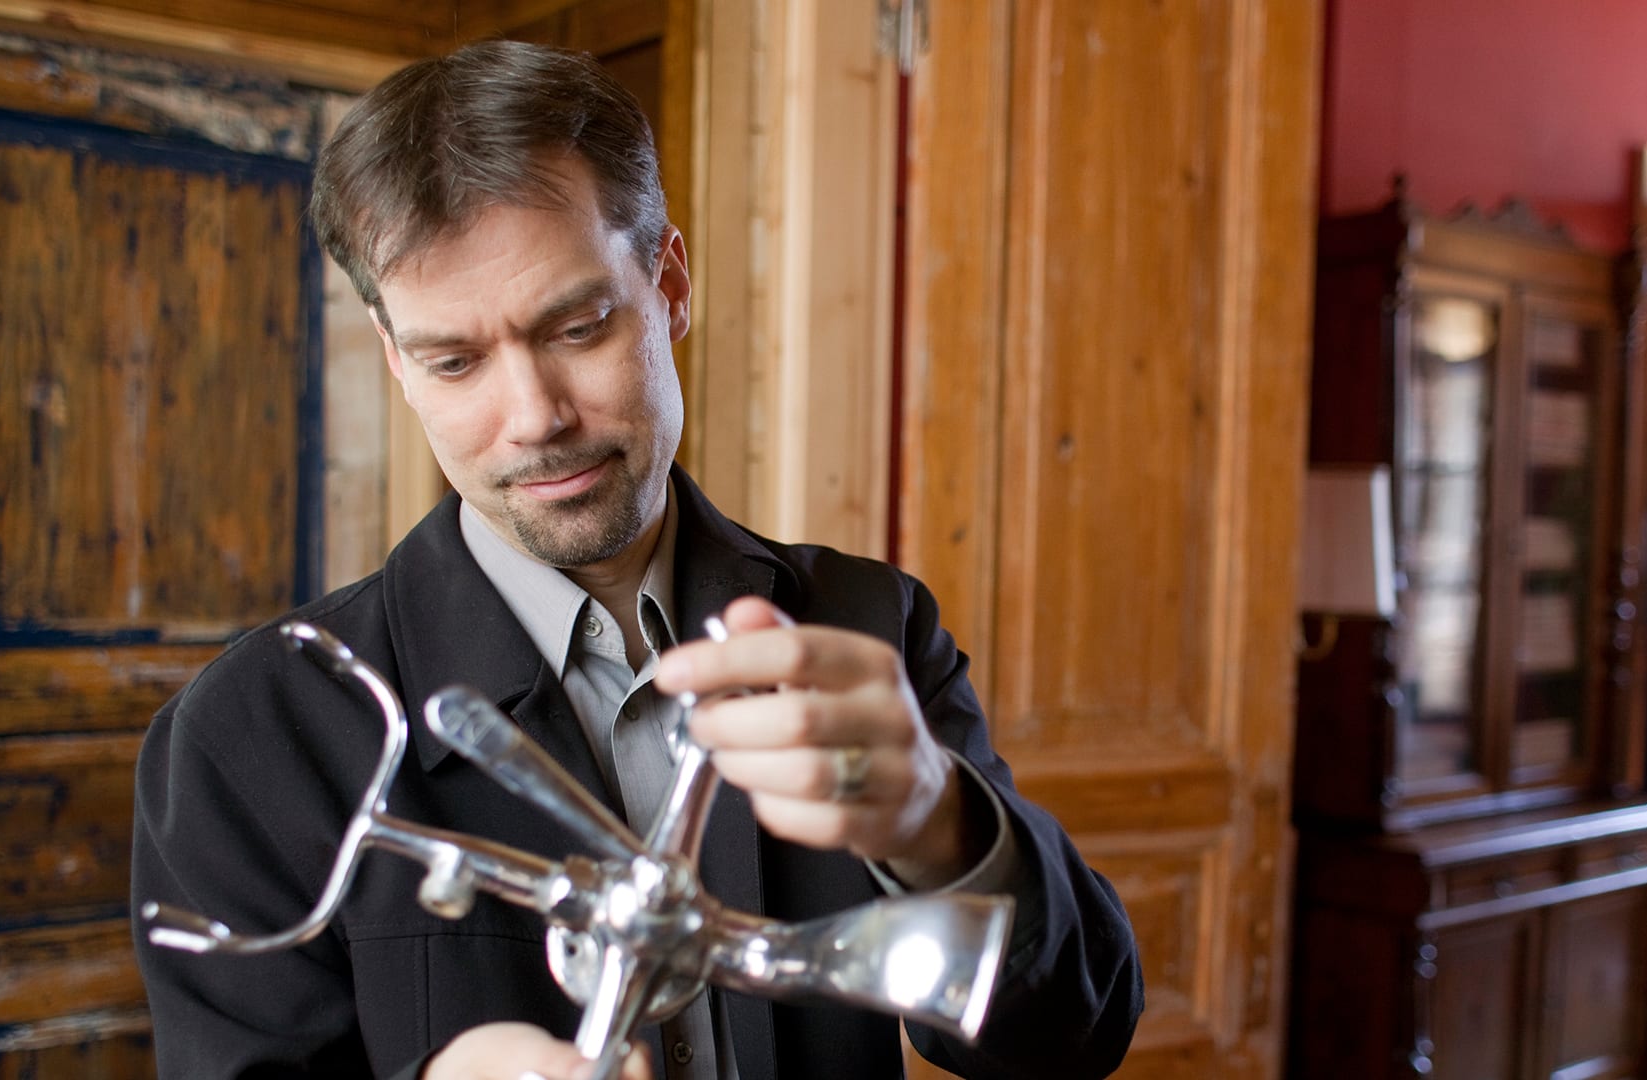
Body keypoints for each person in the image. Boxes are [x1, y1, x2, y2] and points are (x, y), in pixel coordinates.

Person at [132, 39, 1141, 1080]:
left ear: (671, 284)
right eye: (455, 361)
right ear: (398, 363)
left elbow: (1071, 1041)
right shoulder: (247, 736)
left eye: (578, 327)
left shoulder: (866, 623)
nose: (535, 417)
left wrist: (940, 823)